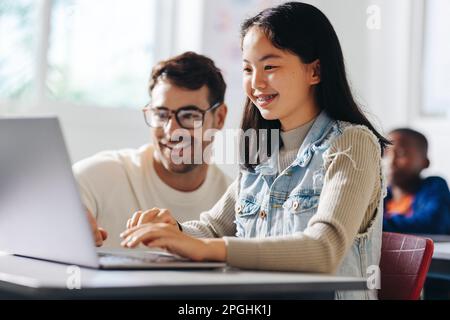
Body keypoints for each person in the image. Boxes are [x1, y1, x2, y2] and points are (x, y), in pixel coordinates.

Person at [119, 2, 390, 299]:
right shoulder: (262, 150)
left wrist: (207, 250)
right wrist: (174, 231)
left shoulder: (352, 144)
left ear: (315, 71)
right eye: (248, 68)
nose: (256, 83)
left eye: (270, 66)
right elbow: (213, 228)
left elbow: (323, 250)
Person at [73, 52, 230, 248]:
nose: (172, 131)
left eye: (189, 115)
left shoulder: (233, 200)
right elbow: (51, 203)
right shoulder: (100, 176)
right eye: (161, 115)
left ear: (220, 118)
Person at [383, 128, 450, 234]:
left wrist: (376, 226)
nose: (390, 161)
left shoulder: (434, 186)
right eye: (386, 154)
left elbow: (434, 224)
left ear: (425, 162)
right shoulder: (380, 197)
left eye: (401, 154)